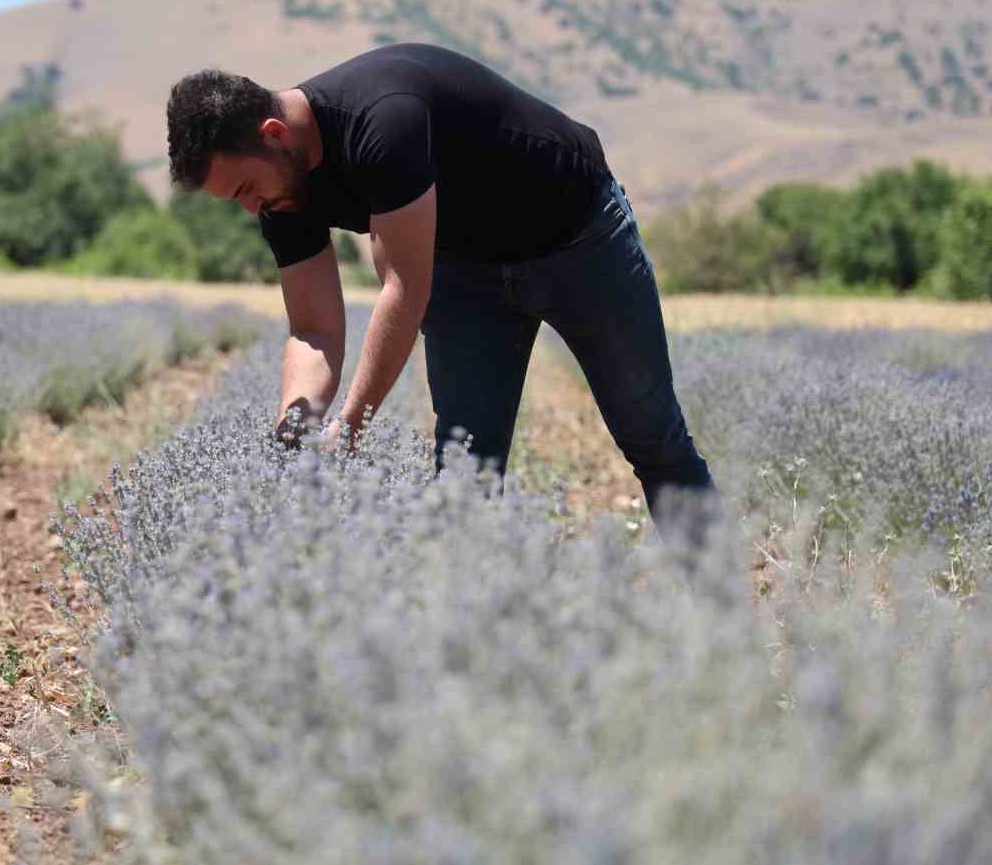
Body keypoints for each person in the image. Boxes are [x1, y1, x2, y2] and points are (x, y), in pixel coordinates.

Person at [165, 41, 715, 526]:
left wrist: (350, 429)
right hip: (464, 270)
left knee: (652, 438)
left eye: (244, 188)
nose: (250, 207)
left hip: (579, 239)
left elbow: (405, 289)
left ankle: (721, 618)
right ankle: (472, 640)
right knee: (465, 474)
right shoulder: (280, 189)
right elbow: (313, 328)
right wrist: (296, 424)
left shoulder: (383, 118)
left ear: (274, 134)